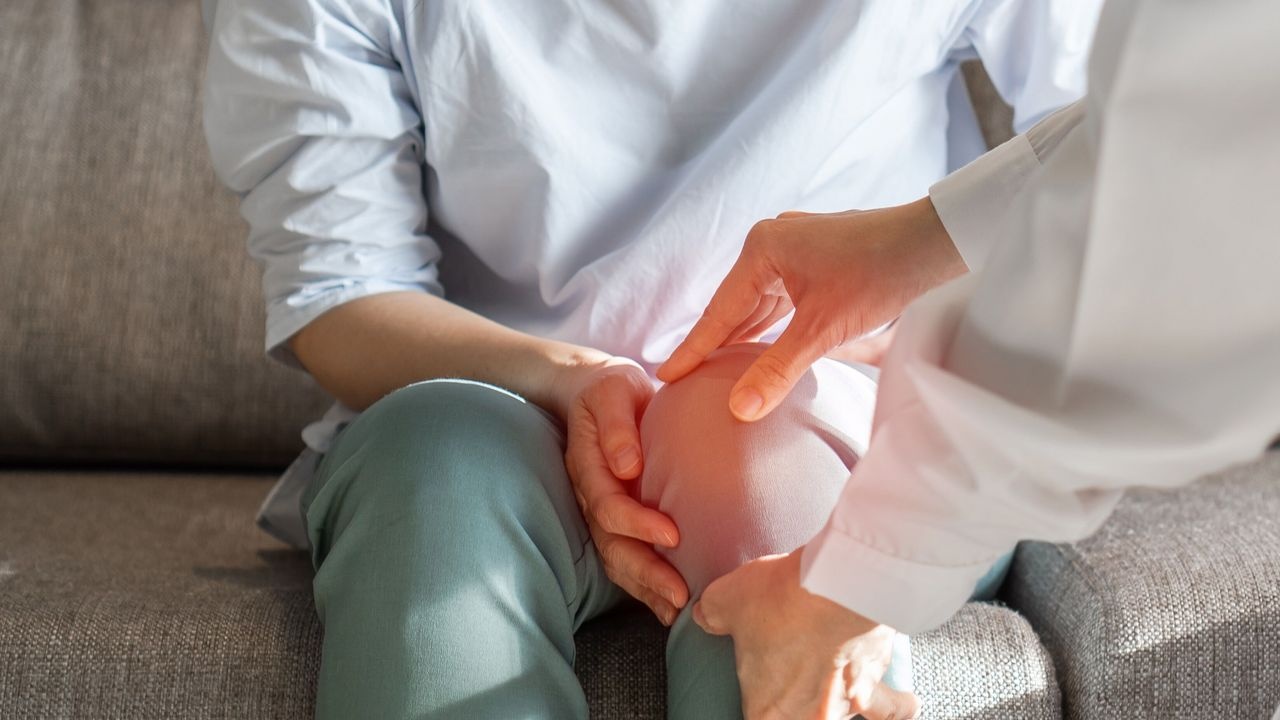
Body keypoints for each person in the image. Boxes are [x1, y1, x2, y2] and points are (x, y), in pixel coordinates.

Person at [201, 0, 1102, 716]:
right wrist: (571, 379)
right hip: (502, 408)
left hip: (828, 403)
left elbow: (1121, 153)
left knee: (745, 440)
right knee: (432, 465)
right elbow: (341, 292)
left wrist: (929, 305)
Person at [659, 0, 1280, 717]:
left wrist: (850, 583)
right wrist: (919, 241)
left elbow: (1170, 209)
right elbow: (1157, 135)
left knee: (753, 467)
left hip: (848, 412)